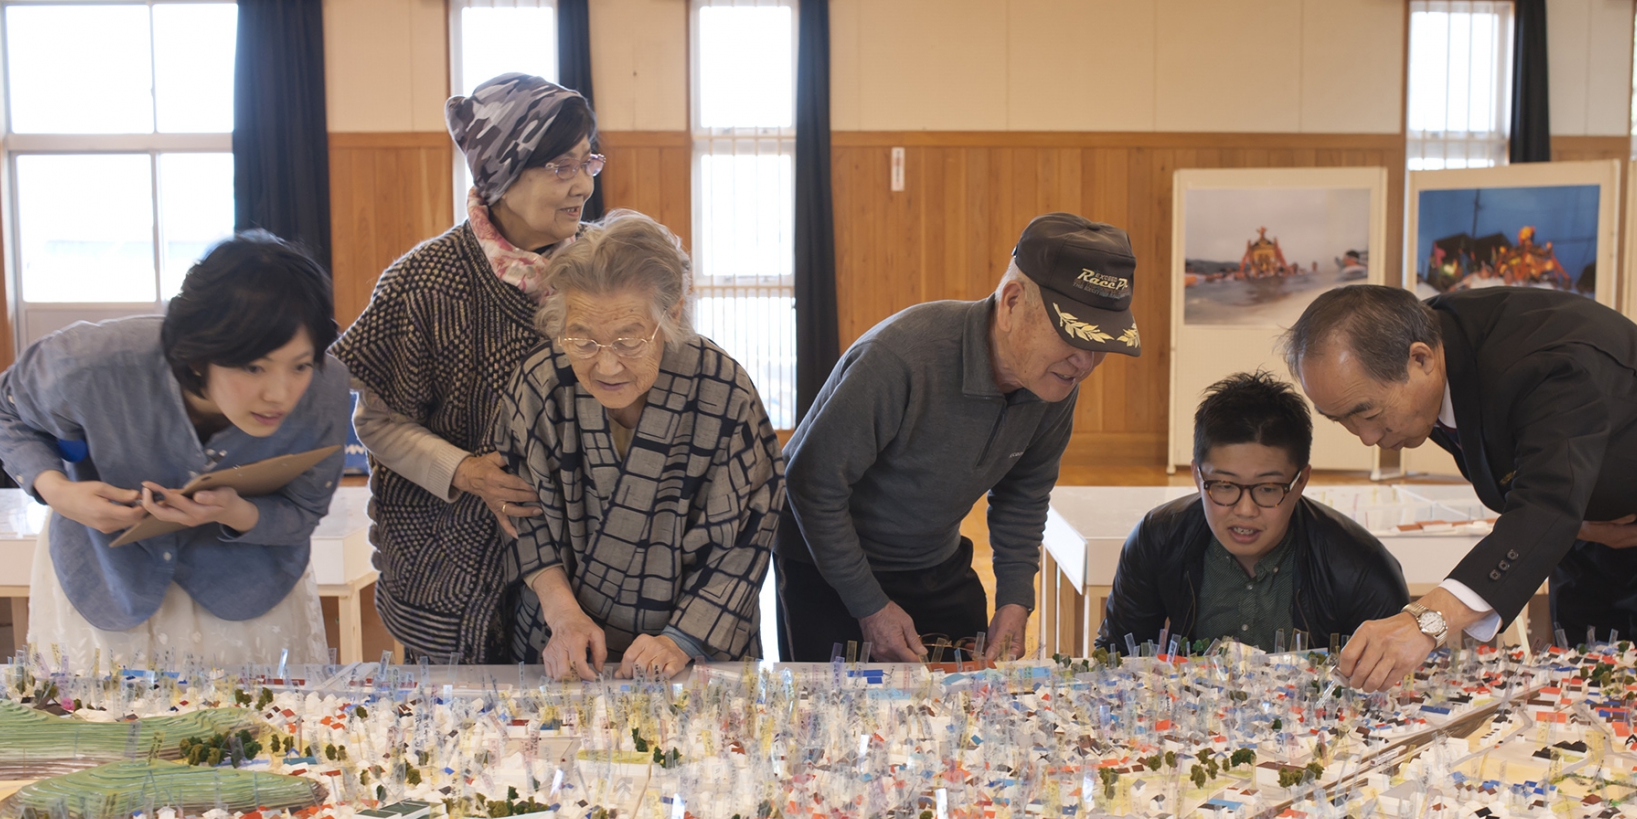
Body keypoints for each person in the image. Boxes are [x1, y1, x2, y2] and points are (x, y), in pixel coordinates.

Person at [1284, 283, 1637, 691]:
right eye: (1341, 420)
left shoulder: (1543, 366)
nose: (1367, 437)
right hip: (1587, 526)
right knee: (1580, 684)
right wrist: (1581, 526)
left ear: (1420, 359)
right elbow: (1544, 494)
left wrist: (1427, 620)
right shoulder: (1422, 336)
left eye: (1367, 413)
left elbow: (1546, 501)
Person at [778, 212, 1142, 663]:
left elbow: (1024, 493)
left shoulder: (1054, 380)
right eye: (1073, 337)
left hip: (931, 556)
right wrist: (869, 606)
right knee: (839, 701)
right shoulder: (899, 358)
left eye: (1100, 345)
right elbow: (812, 485)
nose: (1084, 363)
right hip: (822, 557)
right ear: (1011, 303)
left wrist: (1015, 599)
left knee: (967, 692)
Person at [331, 71, 601, 663]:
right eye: (561, 167)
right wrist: (465, 471)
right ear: (501, 173)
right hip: (448, 564)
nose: (582, 184)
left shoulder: (603, 271)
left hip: (583, 566)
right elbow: (377, 422)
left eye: (588, 162)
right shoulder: (423, 280)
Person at [0, 232, 349, 667]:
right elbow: (4, 407)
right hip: (106, 579)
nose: (280, 393)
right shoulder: (92, 363)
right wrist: (59, 492)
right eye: (254, 367)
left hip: (247, 587)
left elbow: (304, 511)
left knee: (255, 712)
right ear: (198, 355)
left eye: (300, 365)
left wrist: (236, 512)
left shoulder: (325, 388)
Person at [497, 211, 783, 680]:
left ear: (672, 314)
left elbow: (749, 534)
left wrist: (679, 640)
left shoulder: (723, 390)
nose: (606, 367)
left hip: (695, 647)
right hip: (565, 640)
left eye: (628, 341)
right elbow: (524, 519)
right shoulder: (541, 383)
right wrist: (563, 614)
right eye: (582, 340)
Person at [1097, 371, 1407, 654]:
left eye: (1268, 489)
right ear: (1197, 477)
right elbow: (1116, 657)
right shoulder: (1158, 539)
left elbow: (1399, 685)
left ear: (1300, 482)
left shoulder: (1359, 565)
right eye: (1224, 486)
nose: (1245, 510)